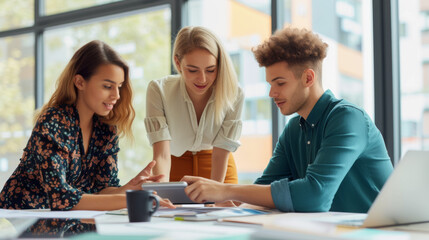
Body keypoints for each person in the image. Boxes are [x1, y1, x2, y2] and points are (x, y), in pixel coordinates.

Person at [182, 27, 394, 213]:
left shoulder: (347, 118)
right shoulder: (294, 129)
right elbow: (266, 187)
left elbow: (315, 196)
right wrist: (236, 205)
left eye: (280, 83)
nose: (271, 93)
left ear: (308, 78)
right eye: (270, 84)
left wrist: (225, 190)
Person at [0, 40, 174, 211]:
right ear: (80, 82)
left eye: (119, 87)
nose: (117, 95)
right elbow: (60, 197)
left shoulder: (105, 128)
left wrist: (130, 189)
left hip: (62, 223)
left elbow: (102, 190)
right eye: (107, 86)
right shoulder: (53, 121)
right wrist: (130, 200)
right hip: (18, 217)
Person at [145, 26, 244, 183]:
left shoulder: (234, 93)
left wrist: (216, 194)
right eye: (193, 70)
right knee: (170, 207)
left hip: (218, 165)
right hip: (174, 165)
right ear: (178, 63)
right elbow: (162, 154)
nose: (202, 79)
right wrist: (162, 191)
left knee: (225, 207)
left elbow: (221, 153)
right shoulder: (158, 90)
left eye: (211, 70)